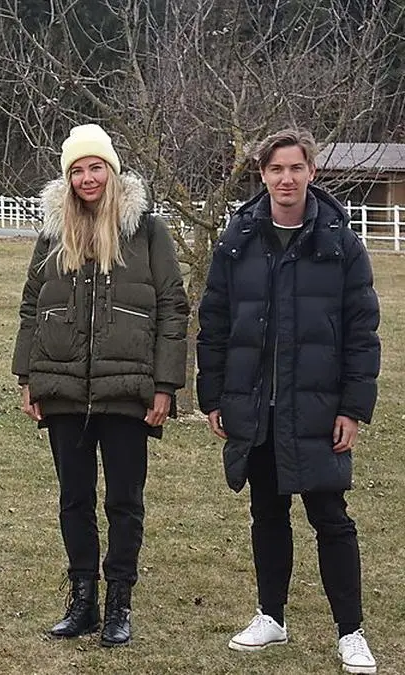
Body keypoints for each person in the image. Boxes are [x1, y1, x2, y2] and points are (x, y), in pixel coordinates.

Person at [197, 128, 380, 674]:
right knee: (267, 513)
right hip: (258, 407)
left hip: (318, 407)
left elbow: (362, 331)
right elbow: (215, 323)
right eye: (276, 169)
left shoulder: (341, 243)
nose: (286, 179)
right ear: (263, 175)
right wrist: (213, 395)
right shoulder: (238, 240)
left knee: (331, 518)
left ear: (311, 173)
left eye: (296, 168)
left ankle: (351, 633)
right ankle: (270, 617)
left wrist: (353, 407)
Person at [11, 123, 188, 647]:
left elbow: (172, 308)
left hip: (127, 391)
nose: (87, 178)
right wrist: (27, 377)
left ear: (112, 170)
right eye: (77, 170)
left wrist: (165, 384)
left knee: (124, 502)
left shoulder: (147, 231)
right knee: (74, 499)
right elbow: (31, 306)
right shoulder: (53, 234)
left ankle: (119, 604)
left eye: (96, 167)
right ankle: (82, 600)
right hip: (64, 389)